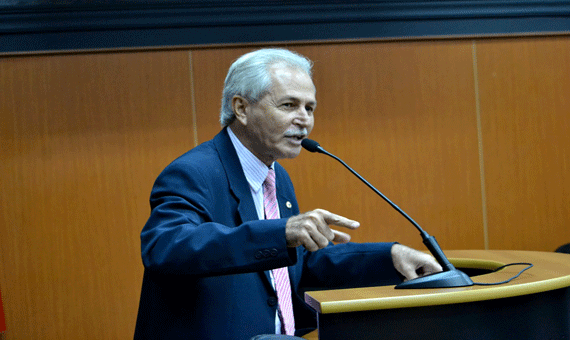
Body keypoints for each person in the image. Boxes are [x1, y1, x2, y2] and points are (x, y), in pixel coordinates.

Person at [133, 48, 442, 340]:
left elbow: (297, 267)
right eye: (289, 105)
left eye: (310, 107)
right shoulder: (195, 172)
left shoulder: (276, 176)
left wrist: (389, 257)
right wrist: (280, 233)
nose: (304, 119)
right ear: (241, 108)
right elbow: (166, 248)